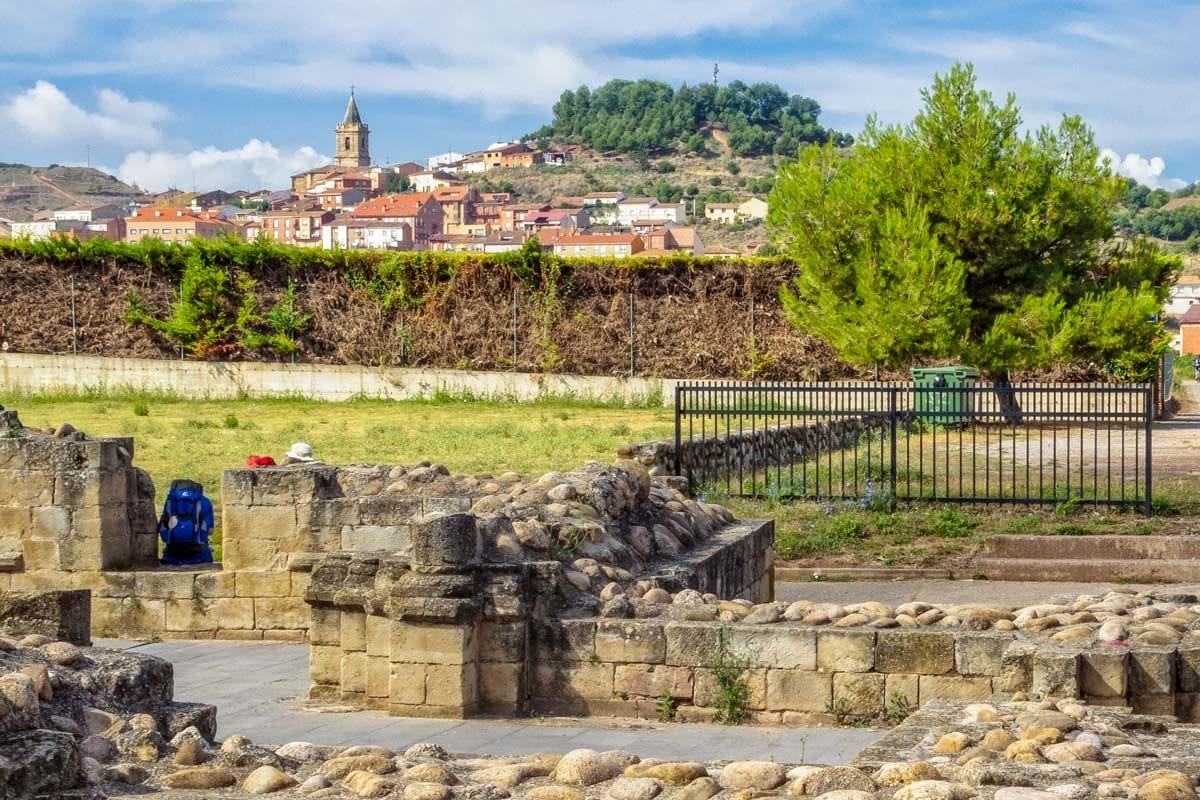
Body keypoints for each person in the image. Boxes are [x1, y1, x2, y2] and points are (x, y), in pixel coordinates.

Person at [158, 479, 214, 565]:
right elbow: (210, 531)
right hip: (200, 557)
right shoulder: (205, 501)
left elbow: (163, 524)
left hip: (171, 557)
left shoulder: (171, 501)